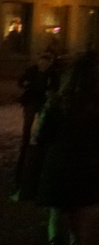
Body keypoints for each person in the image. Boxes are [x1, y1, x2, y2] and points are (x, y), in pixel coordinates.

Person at [33, 56, 99, 245]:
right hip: (89, 163)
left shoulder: (57, 102)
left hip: (59, 161)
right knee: (82, 214)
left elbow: (41, 136)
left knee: (57, 211)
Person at [11, 51, 60, 199]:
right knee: (28, 123)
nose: (43, 64)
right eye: (42, 61)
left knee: (42, 122)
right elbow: (22, 81)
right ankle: (27, 141)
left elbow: (54, 87)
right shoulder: (32, 71)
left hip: (42, 102)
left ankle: (38, 140)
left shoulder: (53, 73)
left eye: (46, 62)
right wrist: (25, 84)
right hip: (31, 100)